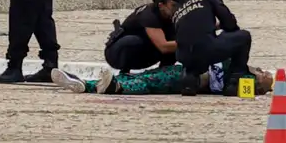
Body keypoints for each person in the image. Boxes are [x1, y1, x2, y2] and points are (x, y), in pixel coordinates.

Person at [160, 0, 252, 96]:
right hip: (207, 49)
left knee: (196, 50)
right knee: (243, 37)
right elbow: (229, 22)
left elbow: (191, 34)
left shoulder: (176, 14)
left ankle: (189, 80)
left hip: (184, 56)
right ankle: (233, 82)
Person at [52, 62, 274, 97]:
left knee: (150, 82)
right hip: (186, 71)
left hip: (193, 78)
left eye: (265, 77)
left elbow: (233, 90)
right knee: (148, 77)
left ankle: (116, 88)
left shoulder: (245, 80)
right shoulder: (240, 64)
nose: (263, 72)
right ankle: (85, 84)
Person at [103, 0, 180, 74]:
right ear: (161, 5)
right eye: (173, 5)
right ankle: (125, 73)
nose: (177, 8)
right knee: (132, 42)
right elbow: (164, 47)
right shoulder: (149, 15)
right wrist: (190, 43)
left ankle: (163, 73)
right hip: (117, 54)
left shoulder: (173, 15)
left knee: (175, 42)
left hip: (146, 51)